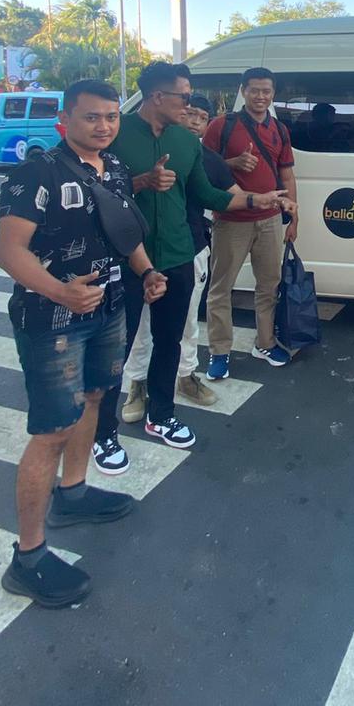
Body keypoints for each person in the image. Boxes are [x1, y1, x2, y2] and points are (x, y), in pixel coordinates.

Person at [0, 79, 168, 607]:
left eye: (111, 116)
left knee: (95, 399)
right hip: (52, 320)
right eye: (92, 117)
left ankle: (72, 494)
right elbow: (9, 251)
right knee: (52, 430)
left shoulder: (112, 168)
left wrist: (146, 271)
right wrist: (60, 292)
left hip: (109, 308)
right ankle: (27, 558)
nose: (104, 126)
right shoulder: (37, 173)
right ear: (65, 120)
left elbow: (123, 233)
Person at [94, 62, 293, 474]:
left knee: (170, 341)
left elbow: (208, 194)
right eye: (183, 97)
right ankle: (102, 434)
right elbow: (91, 188)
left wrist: (258, 200)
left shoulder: (185, 143)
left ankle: (161, 415)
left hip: (177, 256)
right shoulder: (115, 133)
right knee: (115, 349)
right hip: (124, 259)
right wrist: (141, 182)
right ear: (157, 97)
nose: (189, 105)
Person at [120, 94, 232, 420]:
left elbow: (223, 194)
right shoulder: (129, 141)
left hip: (188, 250)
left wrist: (262, 201)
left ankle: (185, 377)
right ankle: (137, 384)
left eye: (201, 116)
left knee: (185, 324)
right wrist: (143, 181)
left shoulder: (203, 154)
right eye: (187, 111)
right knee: (140, 326)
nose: (192, 119)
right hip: (138, 252)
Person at [203, 67, 298, 375]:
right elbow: (200, 169)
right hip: (231, 219)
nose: (260, 96)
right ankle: (219, 353)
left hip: (270, 219)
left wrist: (293, 216)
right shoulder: (221, 126)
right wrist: (232, 163)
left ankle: (265, 343)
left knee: (269, 286)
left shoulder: (279, 129)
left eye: (266, 91)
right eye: (254, 90)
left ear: (273, 94)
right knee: (221, 288)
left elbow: (286, 174)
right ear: (243, 91)